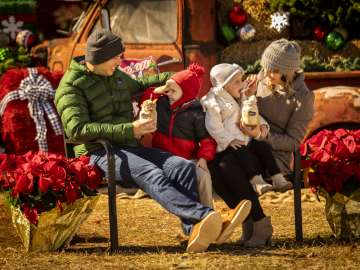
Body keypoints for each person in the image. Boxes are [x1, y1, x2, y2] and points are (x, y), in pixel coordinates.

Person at [55, 29, 251, 252]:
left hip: (129, 147)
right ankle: (206, 217)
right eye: (117, 57)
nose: (121, 61)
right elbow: (77, 129)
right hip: (98, 153)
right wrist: (131, 129)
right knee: (153, 173)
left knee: (183, 167)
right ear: (100, 58)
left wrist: (173, 81)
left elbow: (139, 85)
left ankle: (194, 233)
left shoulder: (115, 75)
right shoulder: (70, 87)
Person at [207, 39, 314, 247]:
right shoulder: (261, 82)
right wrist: (246, 94)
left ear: (289, 71)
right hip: (247, 145)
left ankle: (260, 224)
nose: (266, 74)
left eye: (273, 71)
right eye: (265, 68)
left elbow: (293, 142)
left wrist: (261, 135)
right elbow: (241, 108)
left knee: (229, 165)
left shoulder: (304, 98)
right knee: (214, 167)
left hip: (274, 156)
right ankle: (250, 221)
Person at [140, 63, 252, 243]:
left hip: (188, 159)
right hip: (163, 159)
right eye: (168, 89)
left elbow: (207, 140)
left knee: (203, 176)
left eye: (173, 90)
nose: (169, 93)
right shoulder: (161, 103)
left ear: (187, 94)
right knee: (189, 176)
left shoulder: (196, 112)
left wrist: (203, 158)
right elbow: (146, 98)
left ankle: (211, 218)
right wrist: (163, 88)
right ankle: (207, 221)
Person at [201, 63, 293, 196]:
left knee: (263, 146)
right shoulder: (214, 103)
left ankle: (278, 178)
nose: (242, 84)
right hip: (228, 145)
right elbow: (213, 126)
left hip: (245, 139)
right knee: (242, 152)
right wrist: (229, 140)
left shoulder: (240, 97)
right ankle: (257, 182)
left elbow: (251, 112)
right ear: (224, 85)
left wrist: (262, 124)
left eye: (241, 80)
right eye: (237, 82)